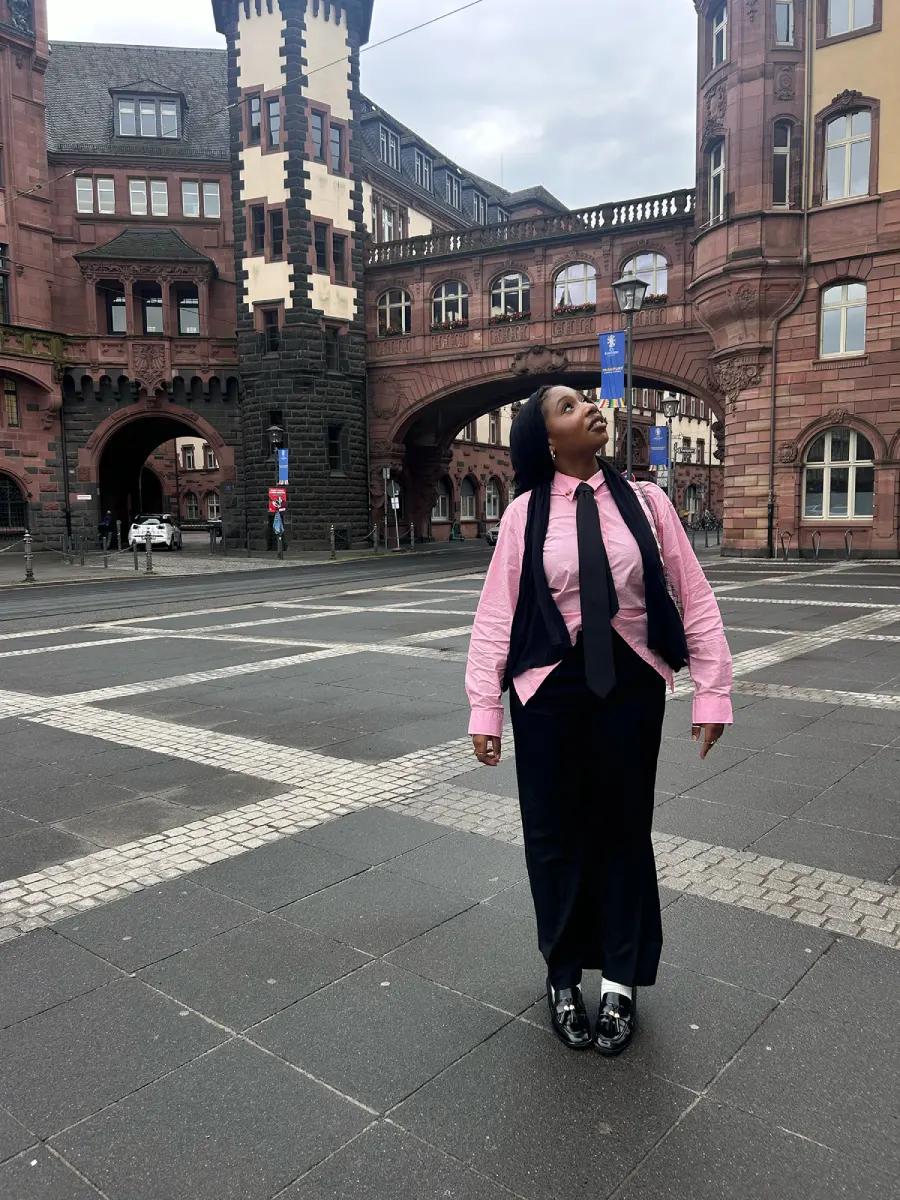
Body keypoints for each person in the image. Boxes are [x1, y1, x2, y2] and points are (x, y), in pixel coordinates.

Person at [465, 385, 732, 1056]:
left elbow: (691, 591)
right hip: (549, 688)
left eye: (586, 400)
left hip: (630, 684)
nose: (588, 407)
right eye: (566, 406)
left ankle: (619, 980)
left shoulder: (648, 502)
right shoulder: (526, 514)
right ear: (548, 439)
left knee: (621, 831)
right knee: (553, 836)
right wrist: (483, 705)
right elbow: (497, 611)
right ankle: (561, 975)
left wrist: (712, 690)